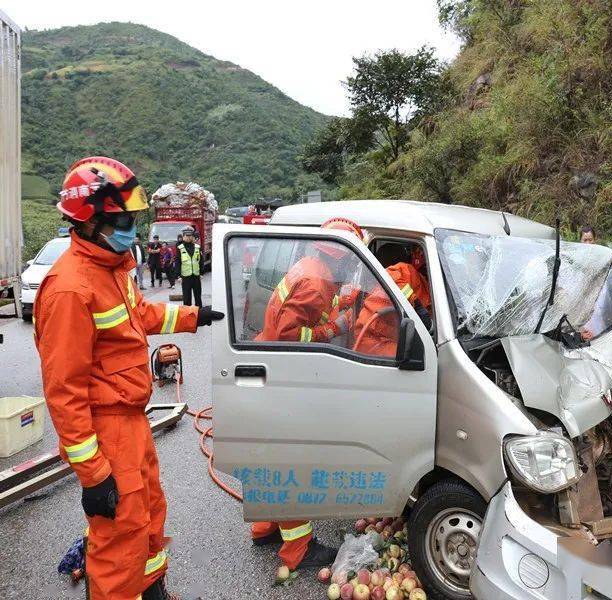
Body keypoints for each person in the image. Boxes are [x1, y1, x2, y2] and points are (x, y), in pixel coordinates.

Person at [33, 156, 224, 600]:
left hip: (131, 421)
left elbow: (139, 315)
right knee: (119, 541)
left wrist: (194, 315)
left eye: (133, 218)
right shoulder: (69, 289)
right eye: (122, 219)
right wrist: (94, 473)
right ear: (90, 221)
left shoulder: (111, 270)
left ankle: (153, 589)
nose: (131, 229)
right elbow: (64, 393)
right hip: (105, 429)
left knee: (149, 515)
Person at [250, 217, 366, 570]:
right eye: (350, 259)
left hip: (274, 372)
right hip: (286, 376)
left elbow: (311, 311)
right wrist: (333, 329)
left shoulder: (311, 269)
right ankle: (297, 549)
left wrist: (345, 304)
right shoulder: (316, 282)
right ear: (340, 256)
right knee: (292, 463)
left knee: (272, 460)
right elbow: (290, 334)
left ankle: (266, 525)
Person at [177, 228, 202, 307]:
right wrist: (178, 276)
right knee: (187, 298)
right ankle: (188, 316)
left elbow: (201, 261)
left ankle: (199, 314)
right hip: (185, 277)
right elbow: (177, 262)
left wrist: (201, 273)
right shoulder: (180, 248)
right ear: (183, 237)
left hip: (196, 276)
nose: (188, 237)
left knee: (198, 297)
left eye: (190, 236)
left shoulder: (197, 247)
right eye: (186, 236)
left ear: (192, 236)